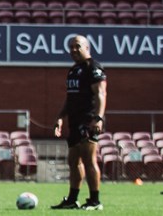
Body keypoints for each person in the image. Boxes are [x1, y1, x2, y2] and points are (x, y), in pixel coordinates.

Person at [50, 35, 105, 211]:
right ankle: (72, 199)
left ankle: (95, 201)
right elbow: (70, 98)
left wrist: (98, 118)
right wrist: (60, 117)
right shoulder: (73, 70)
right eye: (71, 47)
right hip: (74, 121)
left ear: (87, 47)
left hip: (88, 120)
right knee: (73, 161)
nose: (73, 50)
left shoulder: (93, 67)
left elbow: (101, 94)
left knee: (89, 160)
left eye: (77, 46)